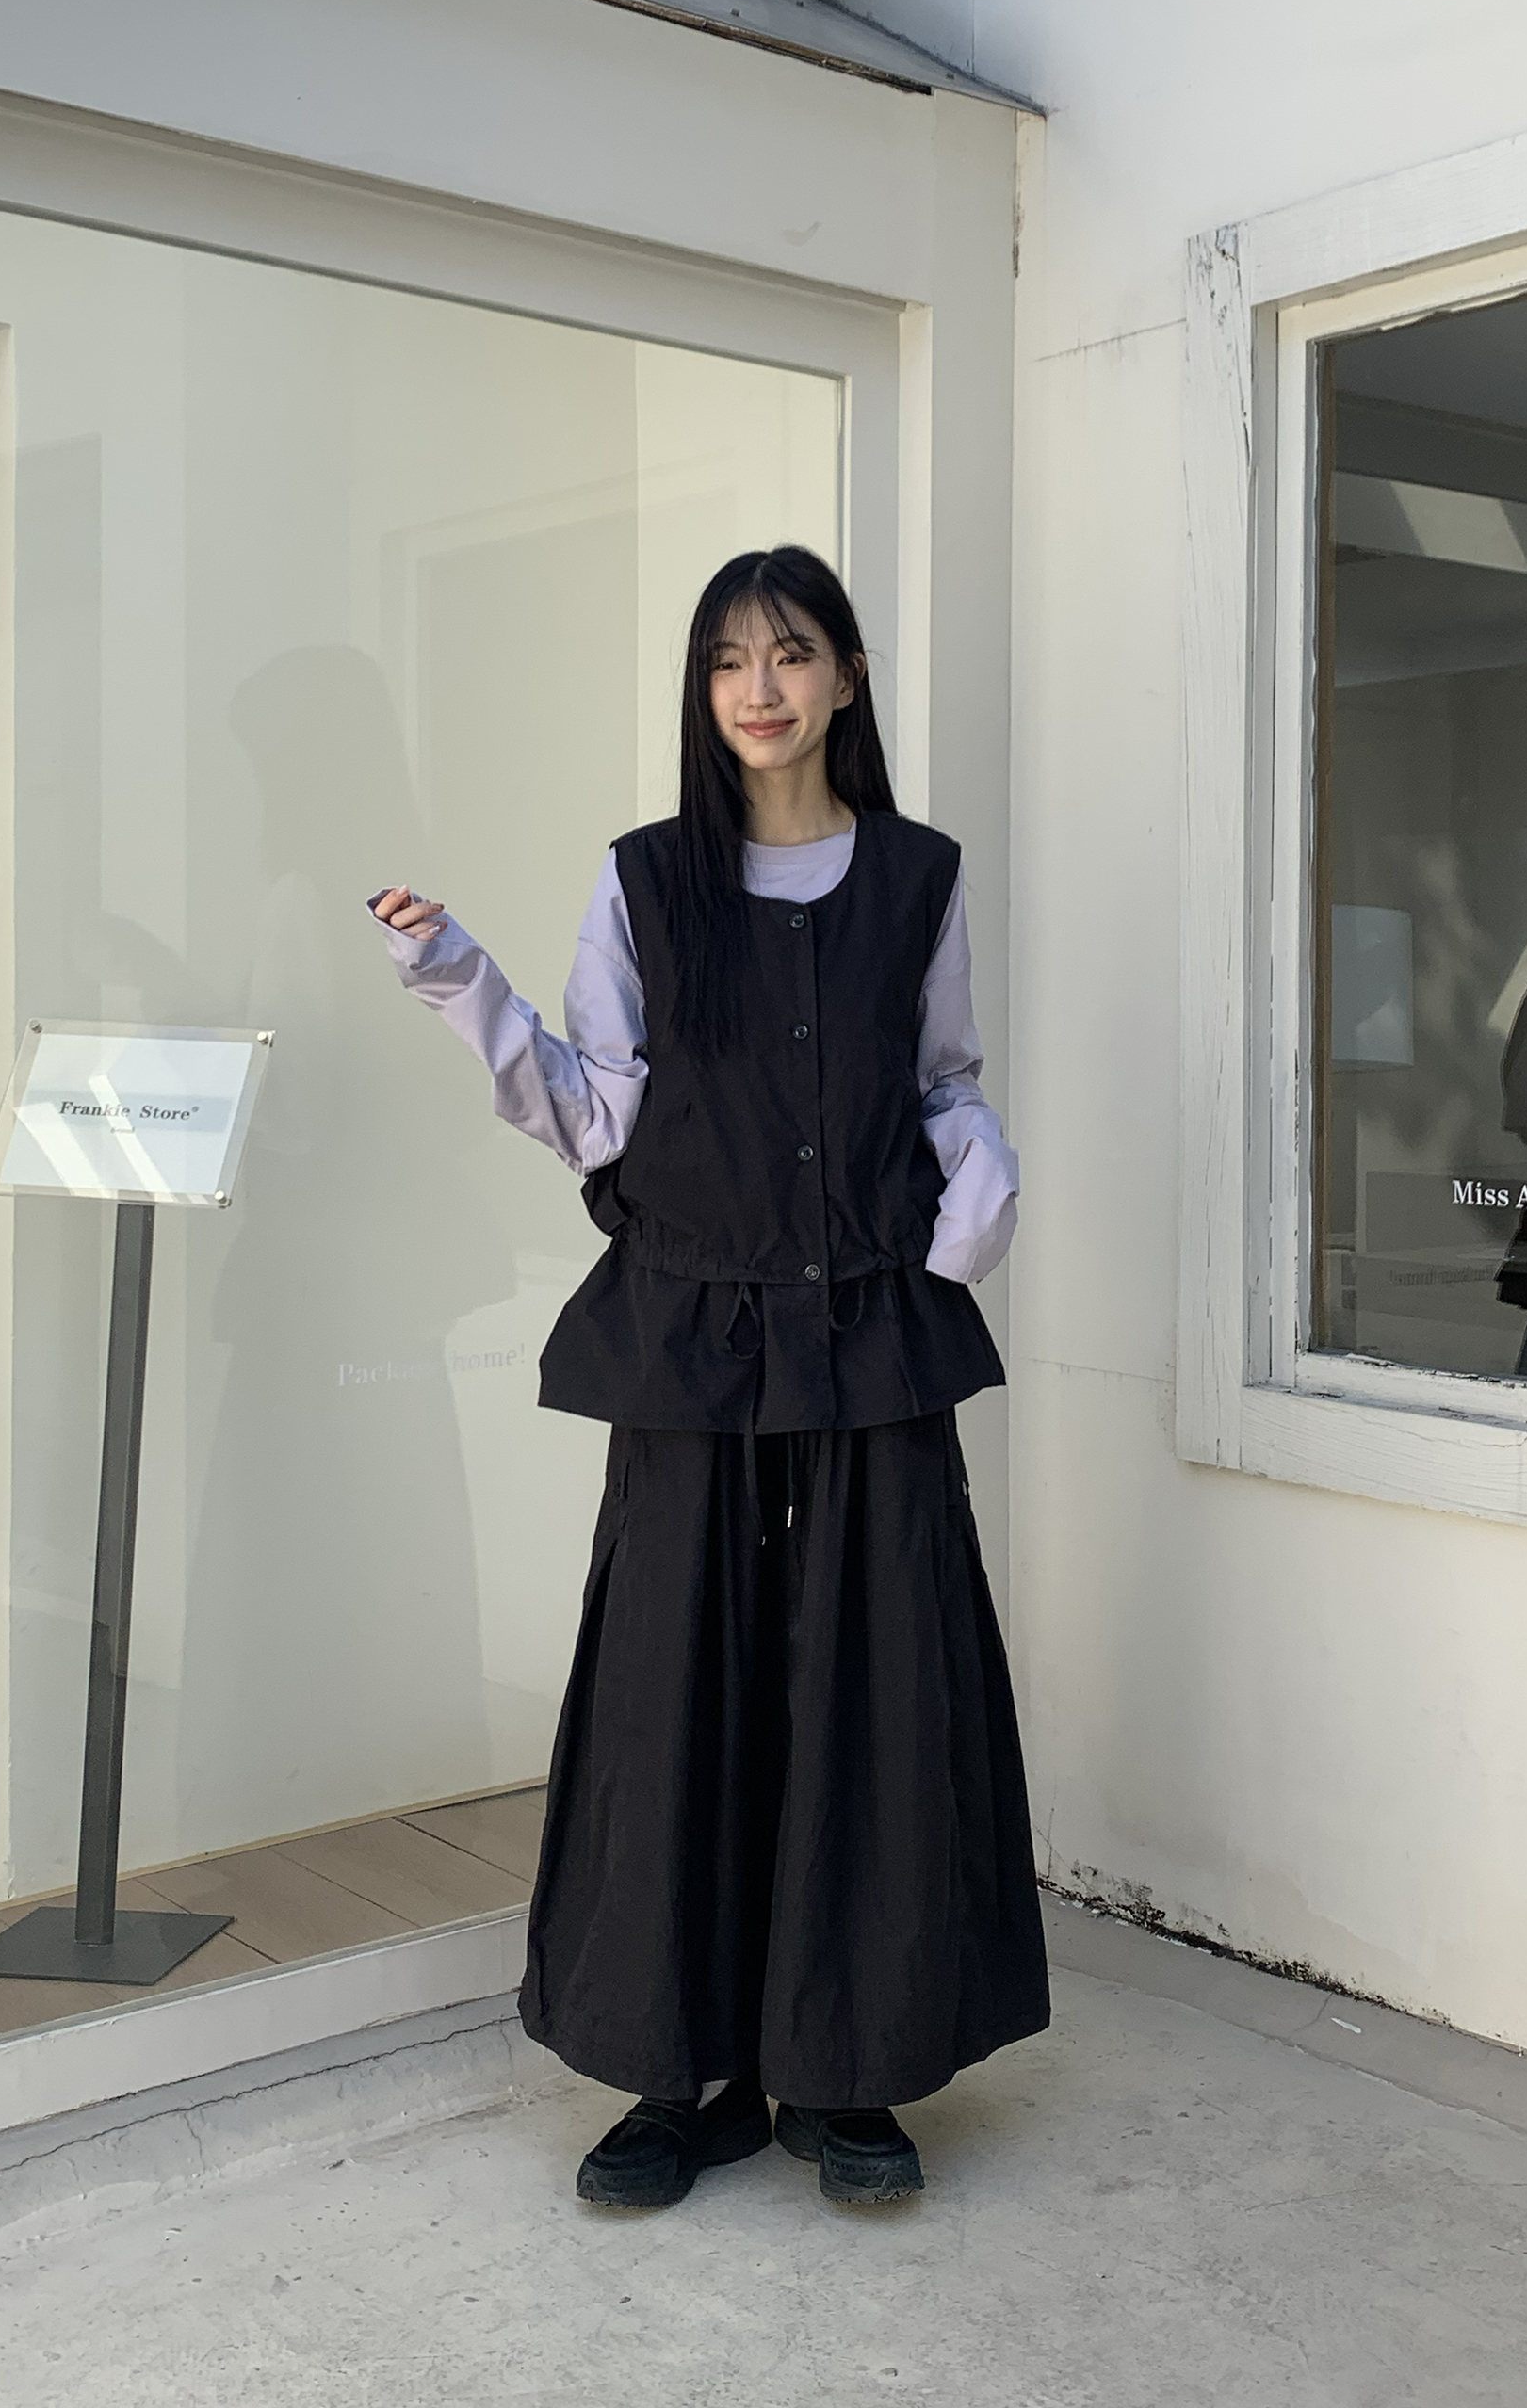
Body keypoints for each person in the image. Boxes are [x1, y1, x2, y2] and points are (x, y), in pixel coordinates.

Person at [371, 545, 1048, 2212]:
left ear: (846, 676)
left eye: (792, 653)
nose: (760, 688)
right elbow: (596, 1111)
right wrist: (458, 976)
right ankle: (682, 2076)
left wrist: (980, 1182)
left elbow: (945, 1082)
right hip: (690, 1339)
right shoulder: (648, 882)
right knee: (677, 1691)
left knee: (878, 1691)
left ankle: (850, 2068)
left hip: (873, 1338)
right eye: (730, 660)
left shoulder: (918, 878)